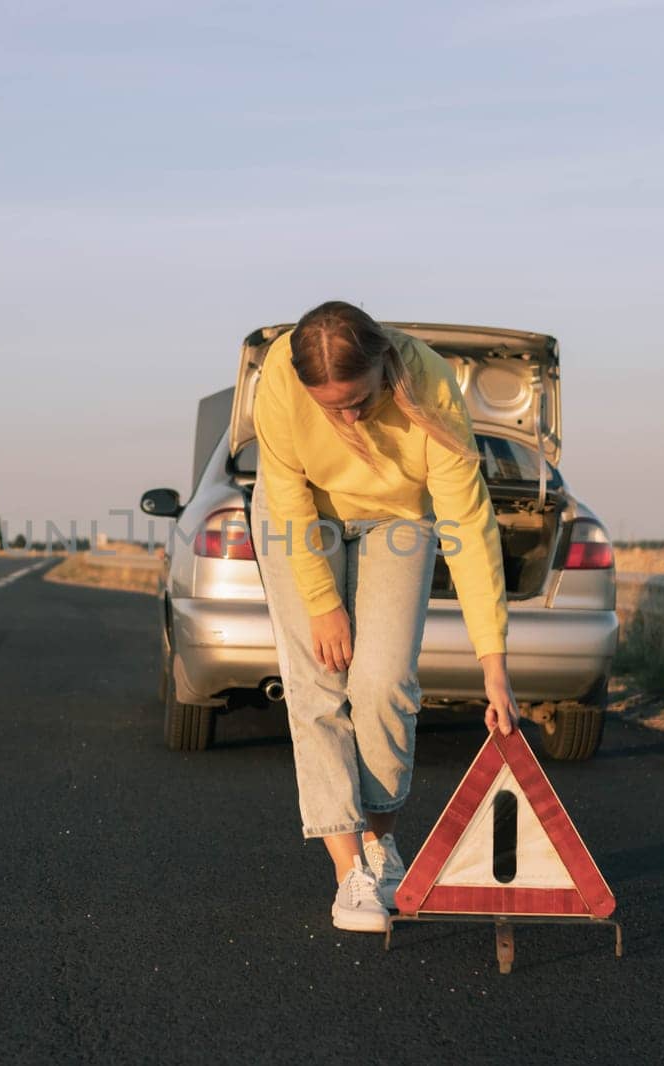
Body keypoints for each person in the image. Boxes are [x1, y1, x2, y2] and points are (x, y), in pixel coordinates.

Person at [250, 300, 517, 934]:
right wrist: (323, 605)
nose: (346, 417)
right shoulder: (281, 384)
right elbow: (286, 501)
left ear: (383, 369)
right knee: (318, 682)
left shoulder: (428, 385)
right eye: (330, 407)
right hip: (302, 517)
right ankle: (350, 873)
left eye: (359, 401)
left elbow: (469, 526)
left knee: (384, 681)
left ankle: (382, 844)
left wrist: (494, 666)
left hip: (398, 518)